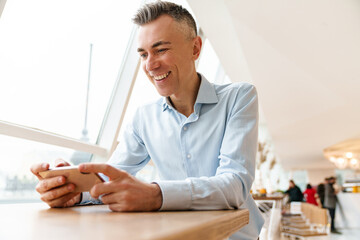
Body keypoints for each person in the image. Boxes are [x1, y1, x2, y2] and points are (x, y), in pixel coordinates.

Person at [30, 1, 264, 239]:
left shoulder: (239, 97)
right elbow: (112, 177)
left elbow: (235, 186)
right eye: (143, 54)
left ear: (195, 48)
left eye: (161, 49)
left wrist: (155, 195)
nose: (150, 65)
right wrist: (74, 189)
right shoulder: (143, 118)